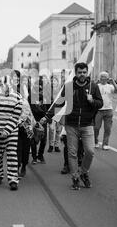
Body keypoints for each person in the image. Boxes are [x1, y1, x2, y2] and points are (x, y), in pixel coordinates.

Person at [41, 62, 103, 190]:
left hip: (87, 124)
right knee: (72, 153)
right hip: (71, 124)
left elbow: (100, 103)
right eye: (79, 72)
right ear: (76, 73)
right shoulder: (69, 87)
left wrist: (92, 101)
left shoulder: (93, 87)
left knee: (90, 151)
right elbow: (59, 103)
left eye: (84, 72)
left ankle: (84, 172)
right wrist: (47, 117)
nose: (82, 75)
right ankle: (75, 177)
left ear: (87, 73)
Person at [0, 75, 24, 191]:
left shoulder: (18, 97)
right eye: (3, 83)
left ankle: (13, 179)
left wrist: (7, 130)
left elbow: (15, 116)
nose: (6, 85)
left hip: (12, 131)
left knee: (12, 154)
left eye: (8, 83)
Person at [11, 71, 35, 178]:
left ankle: (24, 166)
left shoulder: (24, 88)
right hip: (14, 123)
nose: (14, 79)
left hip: (25, 122)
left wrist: (22, 120)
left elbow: (26, 106)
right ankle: (17, 166)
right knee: (16, 147)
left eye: (16, 77)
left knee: (25, 147)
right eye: (13, 77)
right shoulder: (9, 89)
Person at [94, 71, 117, 150]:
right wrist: (96, 82)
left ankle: (105, 144)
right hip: (98, 110)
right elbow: (91, 89)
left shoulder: (110, 86)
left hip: (108, 110)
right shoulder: (97, 86)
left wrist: (113, 82)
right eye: (102, 76)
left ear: (107, 78)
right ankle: (95, 142)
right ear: (100, 77)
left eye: (105, 76)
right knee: (96, 128)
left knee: (107, 129)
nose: (103, 78)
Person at [29, 77, 50, 165]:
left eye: (41, 86)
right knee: (34, 139)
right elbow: (34, 109)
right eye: (37, 86)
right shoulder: (31, 96)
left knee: (44, 139)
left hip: (43, 120)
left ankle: (40, 155)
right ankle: (34, 157)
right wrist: (44, 113)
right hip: (35, 120)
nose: (39, 88)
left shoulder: (46, 96)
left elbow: (49, 107)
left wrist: (47, 116)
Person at [48, 75, 63, 153]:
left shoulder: (61, 90)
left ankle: (56, 145)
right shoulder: (47, 90)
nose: (53, 82)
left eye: (54, 80)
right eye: (52, 80)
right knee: (51, 129)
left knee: (58, 129)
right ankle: (51, 145)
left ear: (57, 82)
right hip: (51, 112)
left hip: (59, 111)